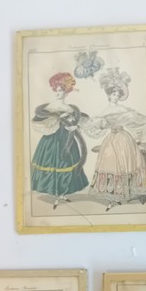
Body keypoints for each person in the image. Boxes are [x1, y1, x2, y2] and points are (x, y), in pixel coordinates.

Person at [80, 68, 146, 211]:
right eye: (113, 94)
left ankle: (126, 193)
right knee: (111, 164)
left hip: (125, 139)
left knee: (127, 164)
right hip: (111, 140)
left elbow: (139, 121)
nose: (116, 97)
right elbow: (96, 125)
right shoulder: (105, 111)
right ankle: (114, 196)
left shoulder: (123, 109)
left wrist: (138, 138)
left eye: (118, 94)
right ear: (109, 95)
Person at [30, 72, 89, 209]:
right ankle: (54, 192)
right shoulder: (49, 107)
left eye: (61, 90)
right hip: (51, 140)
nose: (58, 93)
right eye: (56, 90)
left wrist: (74, 126)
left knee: (66, 163)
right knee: (52, 163)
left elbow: (78, 121)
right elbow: (41, 122)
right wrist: (58, 120)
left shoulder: (70, 108)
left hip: (67, 140)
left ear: (66, 92)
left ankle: (62, 193)